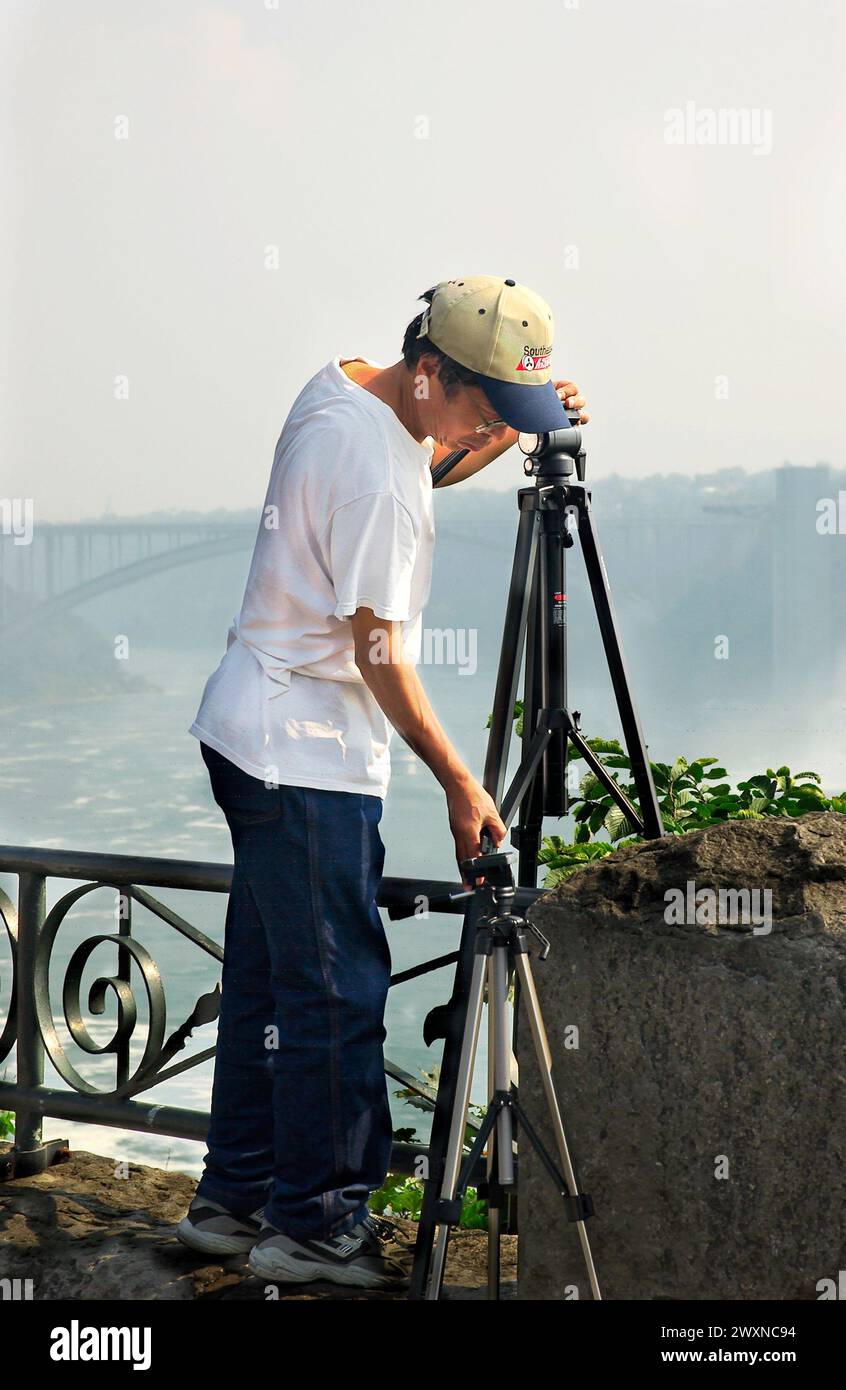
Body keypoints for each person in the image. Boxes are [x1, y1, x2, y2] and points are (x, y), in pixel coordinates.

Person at [174, 275, 589, 1290]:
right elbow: (378, 650)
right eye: (487, 404)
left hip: (247, 726)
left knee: (272, 982)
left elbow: (418, 454)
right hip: (307, 752)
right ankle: (317, 1225)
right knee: (337, 993)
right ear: (435, 371)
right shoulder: (382, 479)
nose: (492, 422)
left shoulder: (343, 393)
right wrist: (456, 777)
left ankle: (235, 1200)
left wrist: (494, 436)